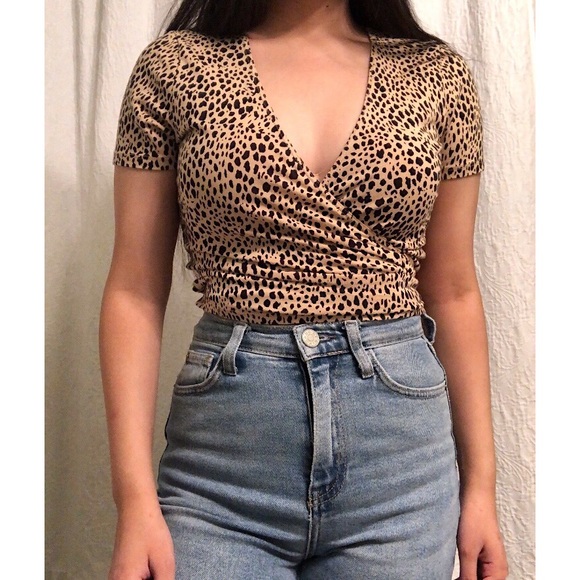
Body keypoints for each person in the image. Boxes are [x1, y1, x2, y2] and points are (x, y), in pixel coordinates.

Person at [100, 0, 509, 578]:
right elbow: (135, 290)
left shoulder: (437, 75)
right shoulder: (174, 68)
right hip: (222, 476)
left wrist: (482, 487)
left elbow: (454, 289)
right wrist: (133, 498)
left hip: (401, 475)